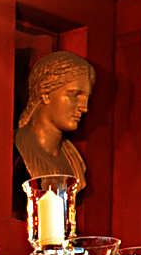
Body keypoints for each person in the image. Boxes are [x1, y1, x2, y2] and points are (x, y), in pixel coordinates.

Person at [15, 50, 95, 185]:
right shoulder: (15, 151)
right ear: (46, 93)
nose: (84, 108)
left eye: (87, 98)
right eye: (75, 95)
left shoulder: (75, 161)